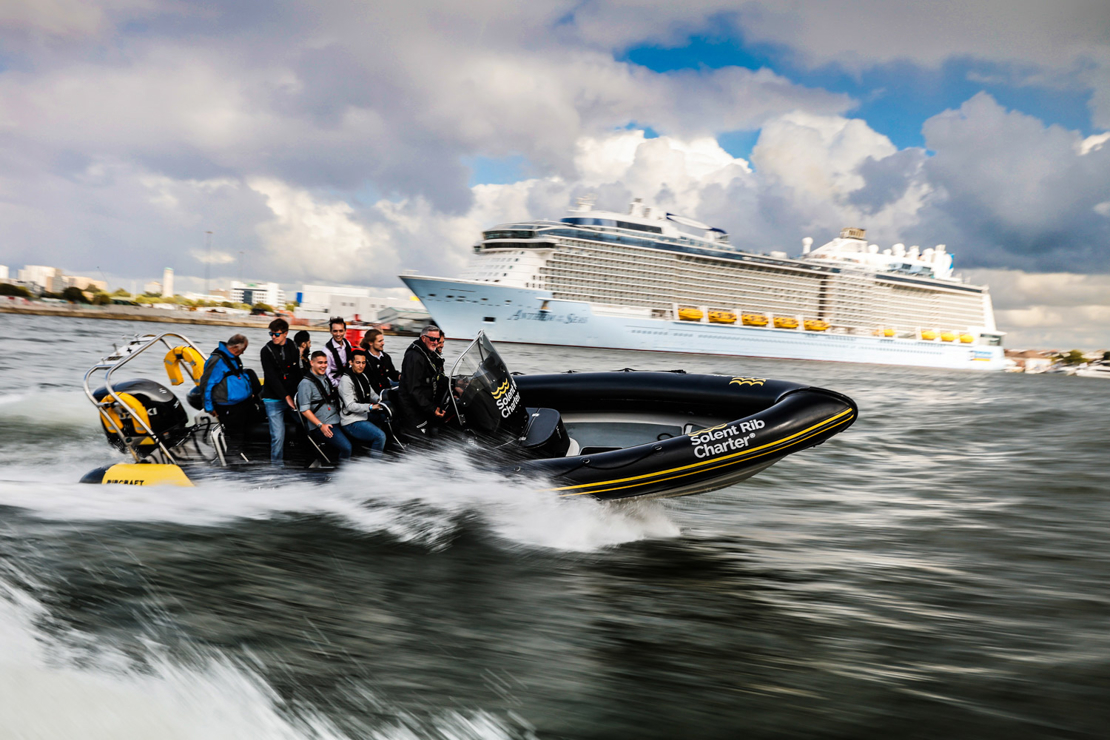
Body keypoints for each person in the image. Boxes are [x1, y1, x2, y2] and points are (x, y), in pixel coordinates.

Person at [199, 333, 256, 463]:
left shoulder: (233, 357)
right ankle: (232, 465)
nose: (243, 353)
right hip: (228, 406)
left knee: (248, 430)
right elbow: (206, 384)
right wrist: (209, 407)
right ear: (236, 347)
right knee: (235, 436)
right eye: (243, 349)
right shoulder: (217, 361)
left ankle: (250, 457)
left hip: (242, 404)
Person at [297, 350, 353, 461]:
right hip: (323, 424)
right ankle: (343, 474)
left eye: (325, 362)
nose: (324, 366)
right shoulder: (306, 383)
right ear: (312, 363)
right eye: (320, 363)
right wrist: (321, 426)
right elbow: (304, 410)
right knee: (347, 447)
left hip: (336, 418)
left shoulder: (324, 378)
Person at [259, 318, 301, 465]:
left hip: (293, 398)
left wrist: (298, 395)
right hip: (273, 399)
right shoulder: (266, 351)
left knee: (308, 425)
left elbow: (297, 373)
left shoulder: (294, 347)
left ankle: (303, 459)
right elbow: (271, 377)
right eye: (271, 334)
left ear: (285, 334)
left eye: (276, 334)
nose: (273, 337)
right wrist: (286, 397)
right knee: (277, 435)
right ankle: (276, 468)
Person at [396, 325, 447, 437]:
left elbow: (438, 377)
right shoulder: (415, 357)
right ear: (423, 338)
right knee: (423, 440)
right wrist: (432, 409)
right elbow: (414, 390)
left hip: (423, 406)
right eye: (432, 339)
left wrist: (455, 384)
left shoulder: (429, 354)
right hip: (411, 408)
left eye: (437, 339)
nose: (435, 342)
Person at [337, 349, 387, 457]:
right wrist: (370, 407)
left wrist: (381, 401)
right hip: (351, 421)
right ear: (351, 362)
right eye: (358, 362)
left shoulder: (363, 376)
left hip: (363, 415)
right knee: (380, 436)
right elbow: (350, 406)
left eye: (363, 363)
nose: (361, 366)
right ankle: (373, 465)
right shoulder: (346, 380)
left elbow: (372, 395)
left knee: (387, 417)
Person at [359, 328, 400, 395]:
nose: (383, 343)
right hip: (375, 393)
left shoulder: (386, 357)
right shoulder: (364, 359)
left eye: (383, 340)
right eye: (380, 341)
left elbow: (393, 375)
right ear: (370, 343)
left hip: (387, 389)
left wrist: (403, 376)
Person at [323, 317, 353, 388]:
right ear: (331, 331)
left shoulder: (348, 344)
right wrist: (338, 385)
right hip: (335, 385)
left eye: (341, 331)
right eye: (335, 331)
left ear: (345, 331)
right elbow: (327, 374)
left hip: (349, 382)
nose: (338, 334)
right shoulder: (326, 351)